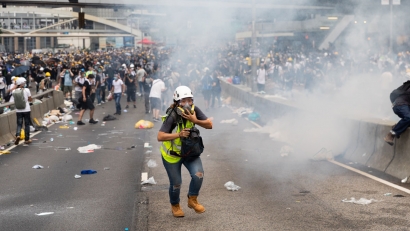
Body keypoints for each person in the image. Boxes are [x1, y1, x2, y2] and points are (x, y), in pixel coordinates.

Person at [157, 86, 213, 218]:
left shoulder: (194, 110)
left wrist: (195, 121)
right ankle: (175, 205)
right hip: (172, 155)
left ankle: (192, 199)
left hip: (189, 152)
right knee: (176, 183)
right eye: (183, 101)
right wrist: (179, 134)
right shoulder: (173, 114)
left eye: (189, 100)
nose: (187, 104)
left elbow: (209, 125)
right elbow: (160, 137)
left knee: (198, 174)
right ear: (177, 102)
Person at [10, 78, 32, 145]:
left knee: (19, 124)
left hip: (18, 110)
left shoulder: (14, 91)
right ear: (22, 84)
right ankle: (27, 139)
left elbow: (14, 100)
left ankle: (18, 135)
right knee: (27, 124)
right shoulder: (27, 90)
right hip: (26, 109)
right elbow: (30, 99)